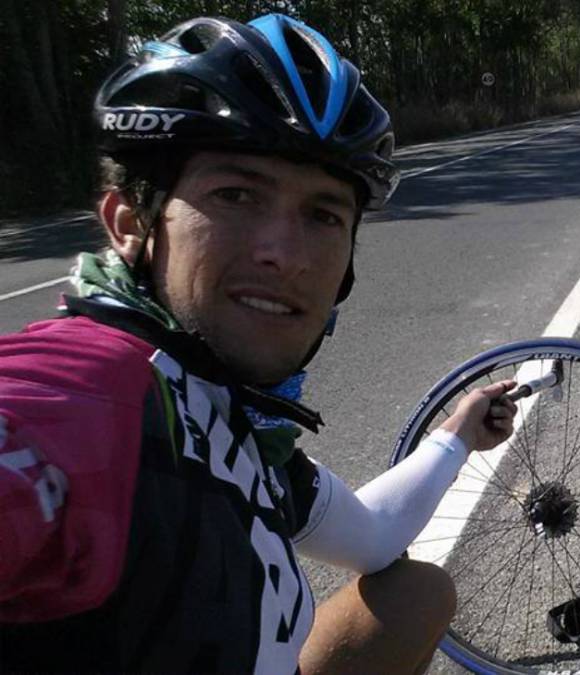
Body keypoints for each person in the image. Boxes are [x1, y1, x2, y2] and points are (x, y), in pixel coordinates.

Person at [0, 13, 517, 674]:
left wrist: (456, 434)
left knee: (416, 593)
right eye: (237, 193)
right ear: (131, 224)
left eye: (323, 213)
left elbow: (376, 533)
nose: (286, 254)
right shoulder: (88, 397)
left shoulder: (232, 416)